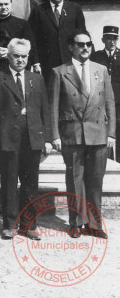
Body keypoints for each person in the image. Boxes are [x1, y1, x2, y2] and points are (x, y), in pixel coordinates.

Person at [0, 38, 52, 240]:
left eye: (23, 56)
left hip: (32, 137)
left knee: (31, 183)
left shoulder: (36, 79)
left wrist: (47, 138)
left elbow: (44, 109)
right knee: (10, 182)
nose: (20, 60)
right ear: (9, 56)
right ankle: (10, 224)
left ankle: (29, 225)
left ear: (28, 57)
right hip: (8, 138)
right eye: (16, 56)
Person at [49, 30, 115, 239]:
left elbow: (110, 103)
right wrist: (55, 136)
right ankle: (76, 222)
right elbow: (53, 107)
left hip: (98, 133)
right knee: (75, 179)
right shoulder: (60, 72)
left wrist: (111, 133)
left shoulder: (101, 70)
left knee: (96, 180)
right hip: (73, 132)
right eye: (80, 44)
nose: (85, 48)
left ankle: (95, 224)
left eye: (88, 44)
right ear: (71, 47)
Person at [28, 0, 86, 79]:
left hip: (71, 60)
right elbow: (32, 38)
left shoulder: (74, 8)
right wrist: (35, 62)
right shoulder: (38, 11)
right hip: (47, 62)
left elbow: (83, 35)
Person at [91, 25, 120, 162]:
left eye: (115, 38)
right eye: (109, 38)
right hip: (101, 101)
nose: (112, 41)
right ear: (103, 40)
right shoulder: (96, 56)